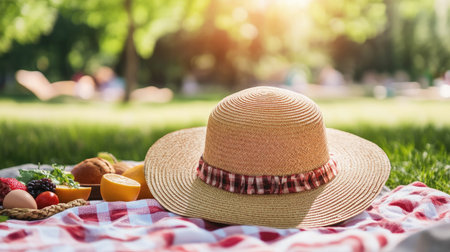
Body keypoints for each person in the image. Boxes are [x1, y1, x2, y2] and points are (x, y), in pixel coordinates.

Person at [16, 67, 173, 102]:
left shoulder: (115, 86)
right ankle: (45, 88)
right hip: (102, 94)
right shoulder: (110, 84)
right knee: (69, 87)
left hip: (103, 94)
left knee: (70, 87)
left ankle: (45, 88)